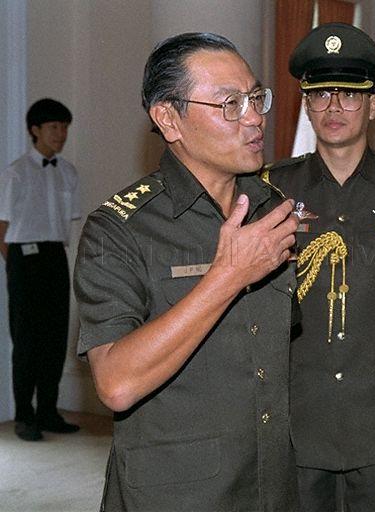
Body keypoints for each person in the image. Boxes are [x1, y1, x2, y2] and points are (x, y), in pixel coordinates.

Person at [73, 32, 300, 511]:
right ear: (169, 119)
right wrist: (228, 275)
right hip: (178, 493)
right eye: (230, 104)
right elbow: (116, 382)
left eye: (256, 98)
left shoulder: (270, 209)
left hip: (270, 483)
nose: (256, 117)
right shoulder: (119, 229)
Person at [264, 22, 375, 511]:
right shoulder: (271, 188)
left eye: (349, 95)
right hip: (297, 408)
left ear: (374, 106)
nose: (333, 108)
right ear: (306, 105)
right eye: (321, 95)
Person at [0, 98, 81, 442]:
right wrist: (17, 267)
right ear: (35, 130)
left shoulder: (69, 172)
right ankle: (24, 415)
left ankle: (48, 411)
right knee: (27, 341)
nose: (60, 134)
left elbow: (69, 222)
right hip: (23, 258)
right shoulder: (15, 172)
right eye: (53, 128)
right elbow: (2, 228)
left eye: (64, 128)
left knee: (54, 338)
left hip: (54, 257)